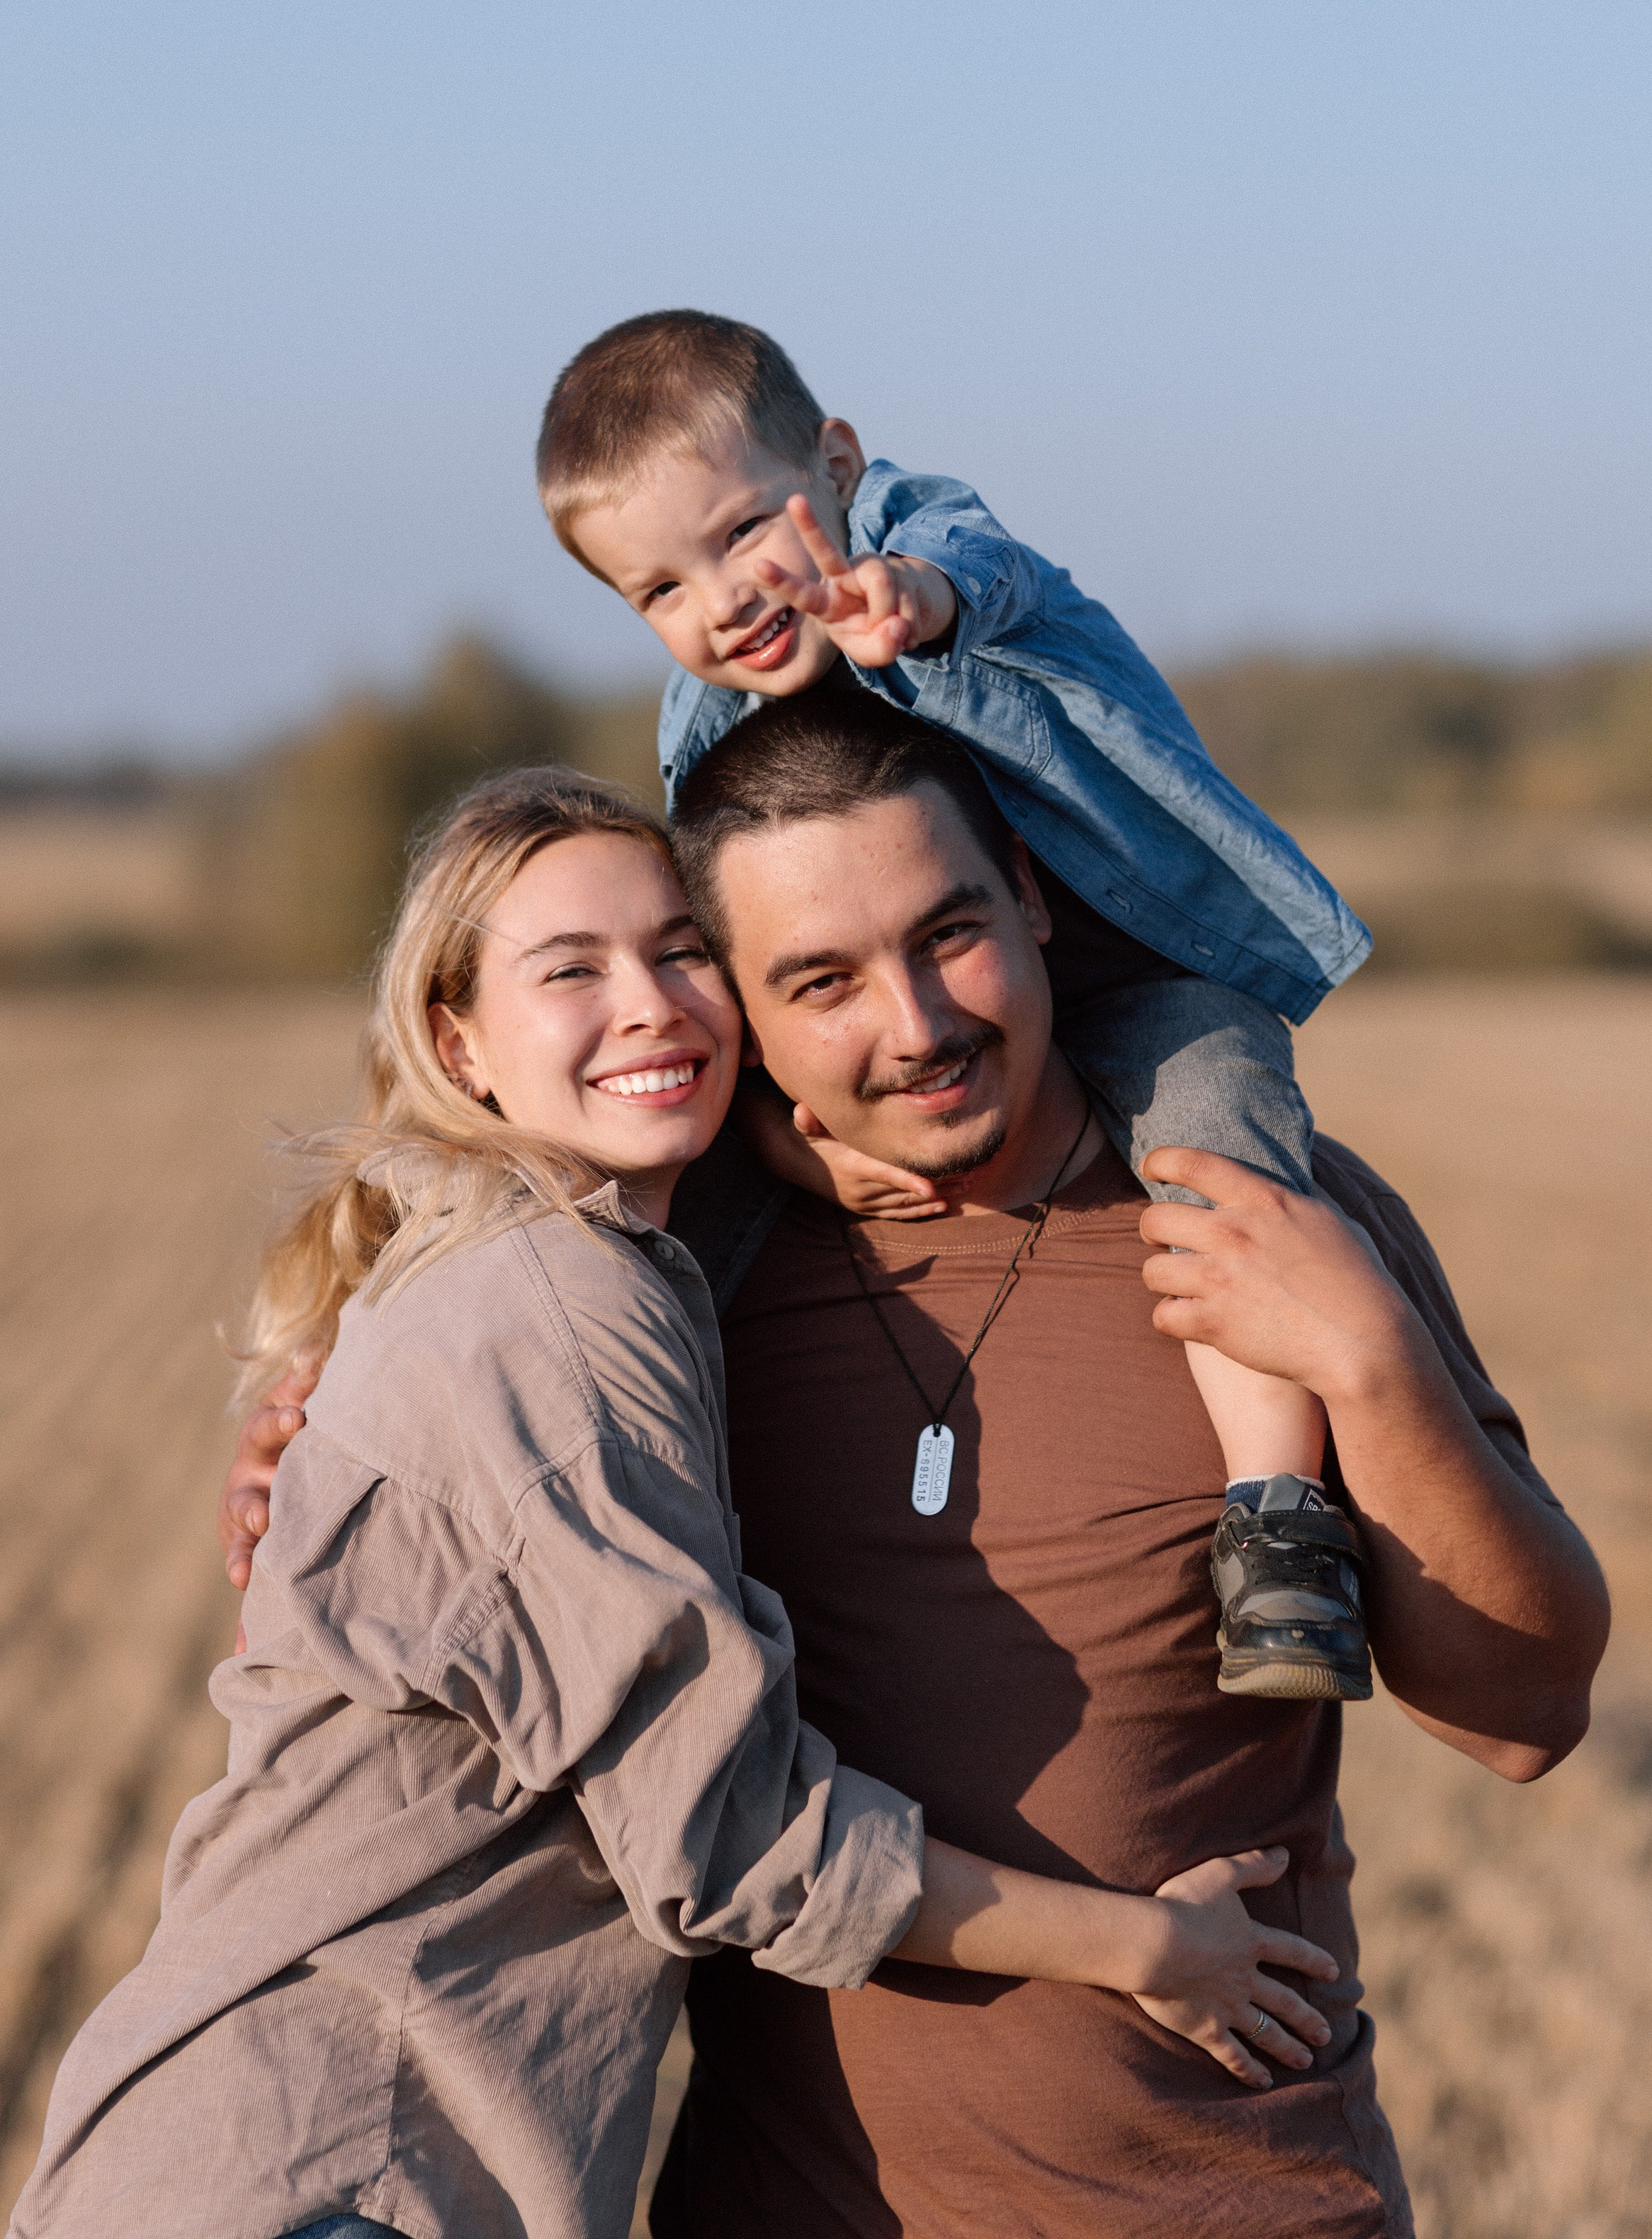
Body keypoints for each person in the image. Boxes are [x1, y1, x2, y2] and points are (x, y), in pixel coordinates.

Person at [225, 698, 1607, 2237]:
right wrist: (315, 1422)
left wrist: (1368, 1359)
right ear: (736, 1013)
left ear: (1027, 893)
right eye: (820, 980)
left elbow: (1524, 1715)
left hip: (1246, 2200)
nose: (917, 1026)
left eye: (947, 934)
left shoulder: (1263, 1222)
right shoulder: (669, 1292)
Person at [13, 766, 1335, 2239]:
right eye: (569, 969)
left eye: (678, 951)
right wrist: (1148, 1948)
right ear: (459, 1041)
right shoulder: (557, 1309)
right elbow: (734, 1840)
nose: (646, 1002)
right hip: (341, 2169)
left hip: (289, 2156)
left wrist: (788, 1148)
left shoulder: (549, 1261)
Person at [533, 308, 1377, 1701]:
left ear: (840, 464)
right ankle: (617, 1515)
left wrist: (911, 600)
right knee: (709, 1157)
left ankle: (1277, 1520)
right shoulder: (704, 726)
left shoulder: (919, 546)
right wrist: (792, 1134)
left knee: (1218, 1145)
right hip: (934, 1025)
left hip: (1131, 971)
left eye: (745, 531)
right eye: (658, 592)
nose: (724, 600)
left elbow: (979, 562)